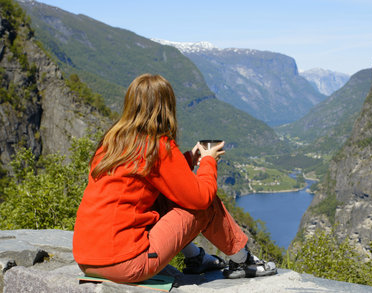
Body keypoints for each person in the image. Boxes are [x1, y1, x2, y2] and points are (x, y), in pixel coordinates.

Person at [72, 73, 277, 283]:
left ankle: (196, 257)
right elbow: (201, 198)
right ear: (166, 107)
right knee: (202, 206)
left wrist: (187, 159)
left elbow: (155, 176)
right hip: (126, 264)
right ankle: (243, 261)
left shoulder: (112, 141)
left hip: (88, 261)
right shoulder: (156, 145)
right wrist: (208, 161)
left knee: (165, 197)